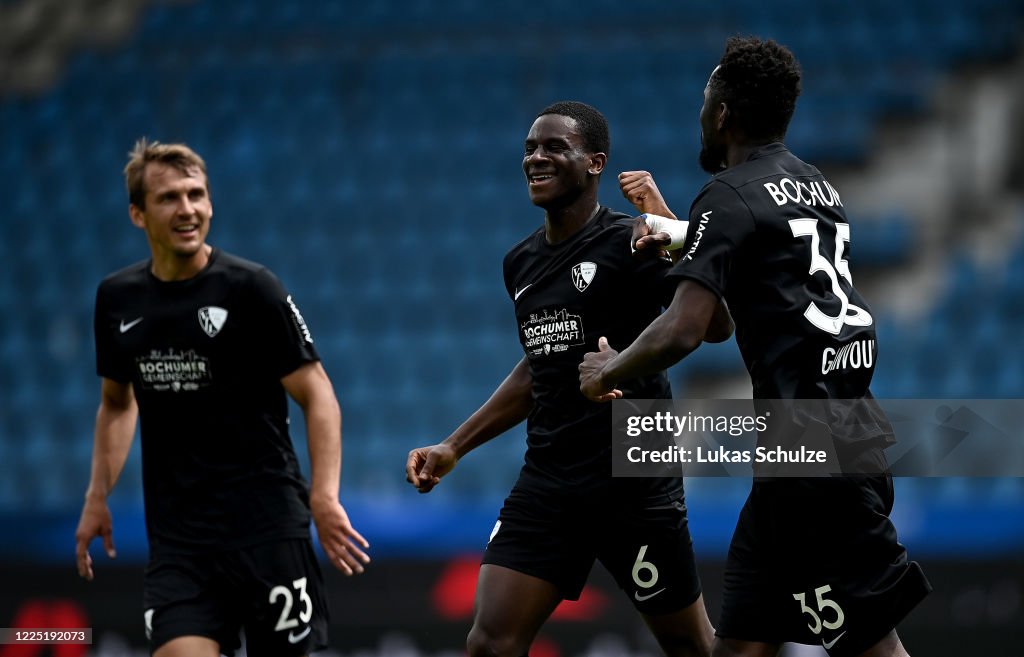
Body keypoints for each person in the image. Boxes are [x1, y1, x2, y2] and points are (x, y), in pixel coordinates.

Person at [579, 37, 931, 657]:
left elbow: (688, 327)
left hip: (812, 459)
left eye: (704, 100)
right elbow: (760, 288)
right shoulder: (818, 187)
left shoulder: (728, 194)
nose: (699, 114)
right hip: (829, 440)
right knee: (740, 647)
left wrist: (612, 364)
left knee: (874, 649)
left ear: (722, 114)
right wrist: (678, 233)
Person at [406, 101, 732, 657]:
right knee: (488, 643)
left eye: (555, 147)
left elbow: (716, 325)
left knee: (692, 647)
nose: (536, 158)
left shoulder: (632, 239)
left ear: (595, 162)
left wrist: (668, 224)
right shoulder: (520, 264)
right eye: (531, 148)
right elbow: (540, 367)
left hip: (635, 476)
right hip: (551, 479)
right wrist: (453, 445)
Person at [74, 139, 370, 657]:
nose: (187, 209)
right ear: (137, 214)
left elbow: (318, 392)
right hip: (180, 545)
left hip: (269, 532)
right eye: (169, 198)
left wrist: (323, 496)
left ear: (210, 203)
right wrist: (97, 495)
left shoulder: (252, 289)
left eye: (197, 195)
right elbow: (118, 404)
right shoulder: (117, 299)